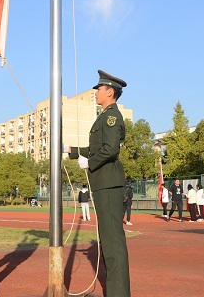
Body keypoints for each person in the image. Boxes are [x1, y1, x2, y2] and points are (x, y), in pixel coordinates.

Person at [67, 69, 131, 297]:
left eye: (99, 89)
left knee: (113, 241)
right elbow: (96, 148)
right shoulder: (103, 116)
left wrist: (90, 162)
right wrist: (72, 151)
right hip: (103, 182)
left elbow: (110, 149)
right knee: (107, 239)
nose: (95, 92)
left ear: (110, 92)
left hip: (108, 182)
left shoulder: (112, 116)